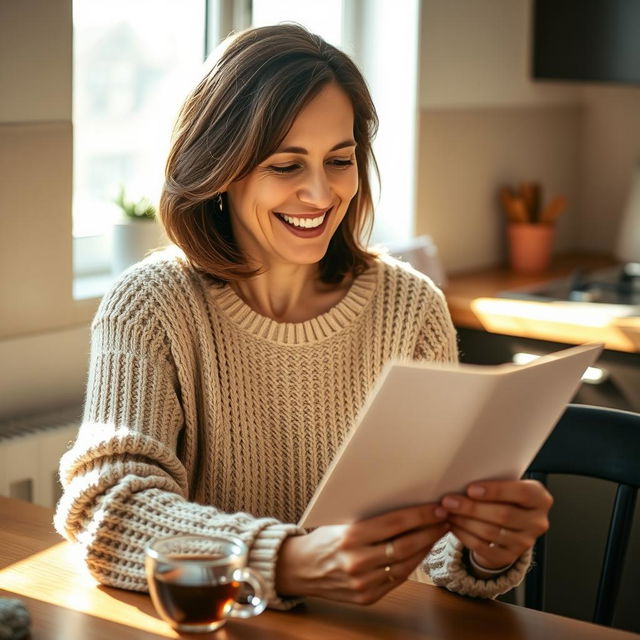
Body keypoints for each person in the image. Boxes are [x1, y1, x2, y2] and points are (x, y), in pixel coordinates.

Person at [54, 23, 552, 609]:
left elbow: (430, 541)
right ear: (221, 170)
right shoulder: (153, 305)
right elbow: (107, 506)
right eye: (287, 166)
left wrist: (483, 547)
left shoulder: (411, 306)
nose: (321, 194)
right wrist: (283, 562)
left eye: (339, 160)